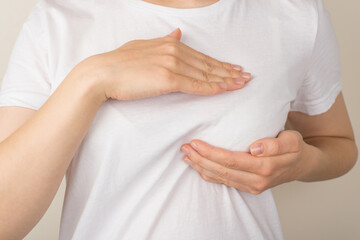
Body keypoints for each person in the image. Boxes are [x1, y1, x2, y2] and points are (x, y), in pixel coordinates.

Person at [0, 0, 357, 239]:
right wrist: (92, 79)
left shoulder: (295, 14)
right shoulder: (59, 19)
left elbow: (339, 144)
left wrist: (302, 163)